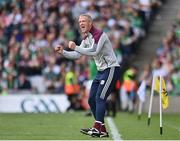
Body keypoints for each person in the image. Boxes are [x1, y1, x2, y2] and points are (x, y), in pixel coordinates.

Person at [55, 14, 120, 138]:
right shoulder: (86, 39)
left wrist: (76, 47)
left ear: (90, 23)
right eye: (79, 21)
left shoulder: (100, 35)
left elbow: (94, 51)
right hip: (101, 71)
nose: (81, 23)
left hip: (111, 69)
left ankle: (97, 128)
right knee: (91, 100)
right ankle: (102, 130)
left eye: (83, 21)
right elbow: (77, 55)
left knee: (100, 98)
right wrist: (63, 52)